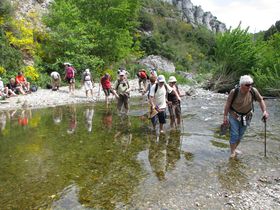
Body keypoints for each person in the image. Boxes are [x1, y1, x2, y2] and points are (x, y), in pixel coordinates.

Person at [223, 75, 269, 158]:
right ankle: (232, 152)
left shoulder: (253, 91)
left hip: (247, 116)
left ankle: (235, 148)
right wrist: (225, 116)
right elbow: (227, 104)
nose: (250, 86)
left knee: (240, 135)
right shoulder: (234, 92)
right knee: (234, 134)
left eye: (251, 84)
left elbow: (261, 100)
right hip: (234, 116)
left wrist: (264, 111)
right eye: (247, 85)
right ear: (241, 85)